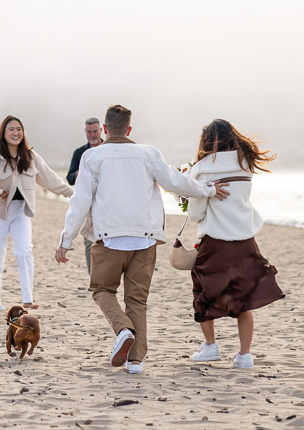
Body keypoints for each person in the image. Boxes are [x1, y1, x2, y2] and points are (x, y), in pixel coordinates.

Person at [55, 105, 229, 374]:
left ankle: (123, 330)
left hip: (108, 238)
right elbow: (176, 183)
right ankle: (136, 362)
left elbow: (80, 202)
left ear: (104, 128)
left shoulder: (92, 157)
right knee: (137, 301)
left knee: (102, 290)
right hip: (146, 239)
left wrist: (66, 241)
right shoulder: (149, 154)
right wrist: (208, 189)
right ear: (129, 129)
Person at [185, 119, 284, 369]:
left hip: (215, 243)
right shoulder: (244, 164)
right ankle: (245, 355)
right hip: (244, 241)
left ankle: (210, 347)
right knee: (244, 298)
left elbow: (195, 214)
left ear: (207, 140)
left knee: (203, 293)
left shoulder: (202, 169)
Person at [0, 115, 74, 311]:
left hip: (21, 211)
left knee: (24, 251)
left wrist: (74, 195)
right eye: (11, 129)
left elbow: (51, 179)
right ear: (3, 133)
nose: (15, 133)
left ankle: (27, 299)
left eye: (19, 129)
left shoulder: (31, 157)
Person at [66, 117, 103, 276]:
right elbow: (69, 178)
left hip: (108, 201)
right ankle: (93, 279)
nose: (93, 135)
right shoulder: (79, 153)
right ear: (85, 132)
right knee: (89, 242)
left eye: (95, 131)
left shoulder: (108, 149)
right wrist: (81, 173)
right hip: (88, 204)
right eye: (89, 132)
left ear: (101, 130)